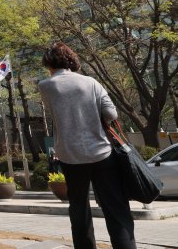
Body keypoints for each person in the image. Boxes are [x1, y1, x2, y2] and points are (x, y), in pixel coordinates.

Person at [37, 42, 136, 249]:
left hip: (70, 155)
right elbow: (111, 114)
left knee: (79, 208)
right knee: (116, 209)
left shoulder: (45, 86)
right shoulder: (91, 82)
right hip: (101, 153)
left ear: (49, 64)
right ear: (72, 60)